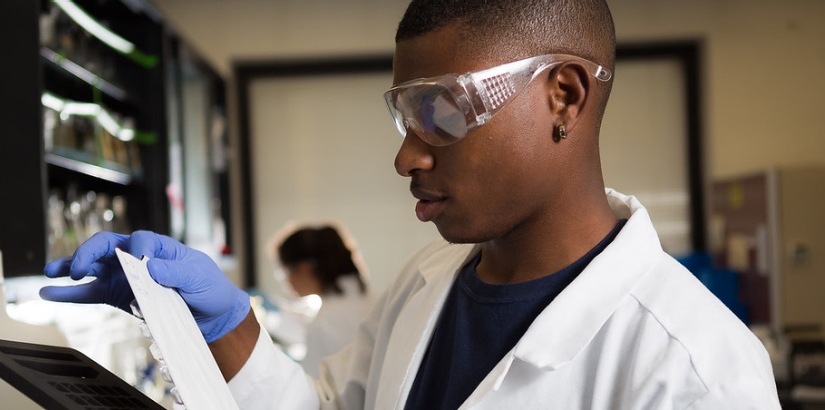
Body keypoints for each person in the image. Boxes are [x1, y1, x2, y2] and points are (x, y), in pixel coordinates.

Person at [40, 0, 781, 408]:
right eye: (405, 115)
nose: (407, 156)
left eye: (445, 111)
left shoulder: (698, 372)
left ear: (563, 97)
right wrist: (225, 323)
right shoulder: (426, 283)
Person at [273, 224, 375, 377]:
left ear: (304, 268)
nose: (287, 282)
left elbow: (315, 391)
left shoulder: (326, 322)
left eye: (285, 272)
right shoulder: (370, 300)